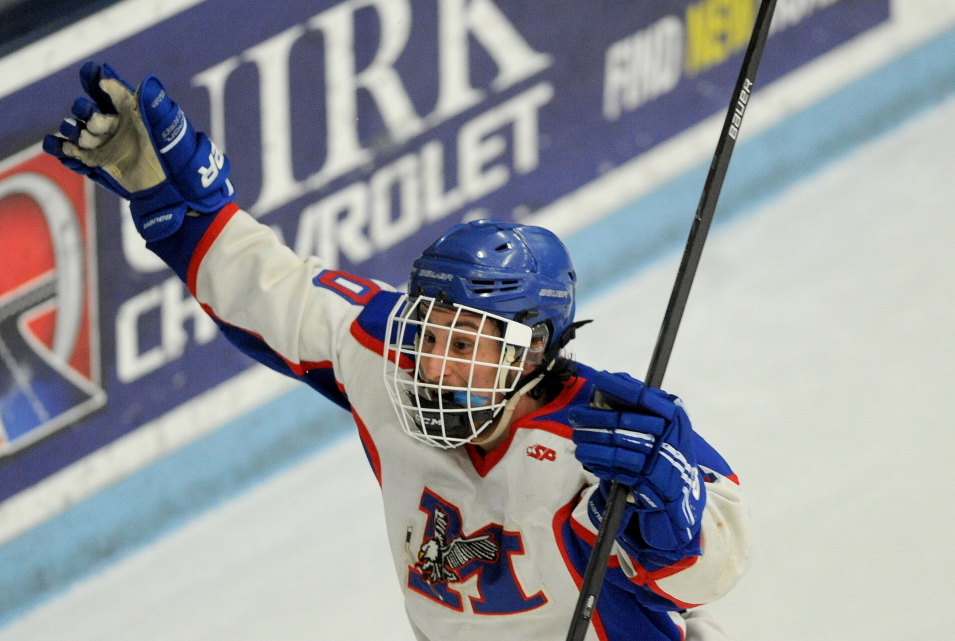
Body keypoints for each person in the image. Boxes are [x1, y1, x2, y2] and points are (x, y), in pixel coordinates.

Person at [45, 63, 750, 641]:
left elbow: (707, 575)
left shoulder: (606, 443)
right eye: (431, 333)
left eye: (465, 344)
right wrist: (184, 214)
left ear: (534, 347)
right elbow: (272, 293)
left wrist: (676, 526)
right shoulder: (391, 359)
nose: (435, 364)